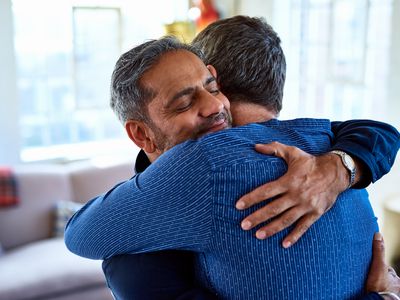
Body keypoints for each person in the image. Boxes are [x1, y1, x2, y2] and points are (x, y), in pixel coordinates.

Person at [64, 32, 400, 299]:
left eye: (213, 87)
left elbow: (78, 235)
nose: (213, 105)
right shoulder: (323, 136)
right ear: (141, 134)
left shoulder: (209, 163)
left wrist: (337, 167)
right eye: (184, 101)